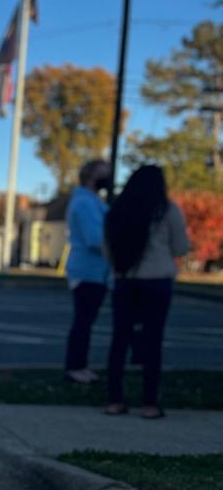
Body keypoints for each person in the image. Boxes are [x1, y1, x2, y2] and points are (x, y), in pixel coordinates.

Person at [102, 166, 191, 419]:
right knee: (153, 341)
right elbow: (181, 247)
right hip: (157, 281)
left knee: (119, 339)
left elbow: (107, 251)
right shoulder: (167, 210)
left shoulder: (116, 212)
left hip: (125, 280)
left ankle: (115, 400)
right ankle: (149, 403)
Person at [63, 159, 112, 384]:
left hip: (96, 271)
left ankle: (80, 364)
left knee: (86, 321)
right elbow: (94, 238)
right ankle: (75, 366)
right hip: (87, 271)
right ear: (91, 175)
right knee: (83, 321)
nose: (108, 177)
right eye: (104, 173)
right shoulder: (84, 203)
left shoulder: (92, 201)